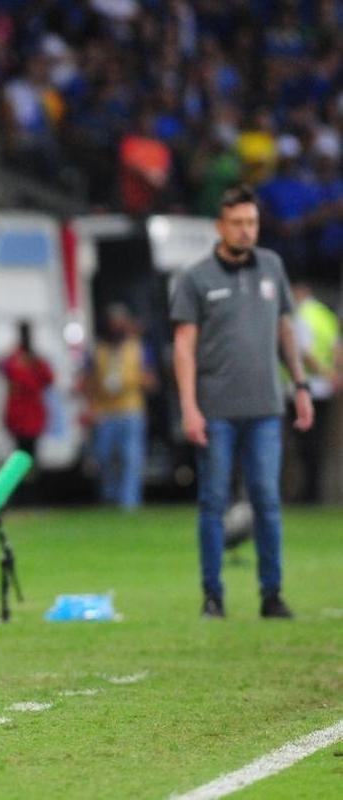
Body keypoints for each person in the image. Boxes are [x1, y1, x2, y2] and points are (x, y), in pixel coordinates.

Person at [170, 185, 313, 620]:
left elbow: (285, 331)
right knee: (213, 502)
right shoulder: (196, 279)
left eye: (252, 223)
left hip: (267, 408)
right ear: (220, 227)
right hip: (216, 412)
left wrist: (301, 386)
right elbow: (183, 348)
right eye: (238, 223)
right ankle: (212, 595)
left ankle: (272, 594)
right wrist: (190, 407)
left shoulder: (273, 267)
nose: (246, 231)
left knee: (267, 501)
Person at [83, 304, 156, 510]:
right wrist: (91, 405)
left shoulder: (138, 348)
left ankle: (129, 504)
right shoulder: (98, 349)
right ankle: (110, 498)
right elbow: (88, 381)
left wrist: (130, 381)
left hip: (131, 409)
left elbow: (151, 380)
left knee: (131, 458)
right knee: (104, 457)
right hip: (105, 411)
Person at [287, 277, 338, 503]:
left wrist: (327, 374)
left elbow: (304, 354)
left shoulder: (301, 317)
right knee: (316, 444)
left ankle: (307, 494)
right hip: (324, 390)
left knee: (303, 445)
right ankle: (314, 492)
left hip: (303, 390)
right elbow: (337, 349)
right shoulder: (324, 314)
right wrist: (335, 375)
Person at [1, 321, 53, 457]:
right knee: (20, 452)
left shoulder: (35, 360)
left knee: (30, 453)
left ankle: (30, 477)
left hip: (32, 415)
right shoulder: (14, 360)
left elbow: (48, 379)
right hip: (19, 415)